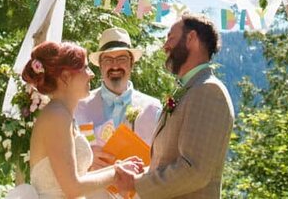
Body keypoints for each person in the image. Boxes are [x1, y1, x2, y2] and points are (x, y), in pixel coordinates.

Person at [113, 13, 233, 199]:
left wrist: (136, 183)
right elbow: (169, 162)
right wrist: (140, 174)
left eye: (171, 37)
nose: (165, 46)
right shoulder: (192, 88)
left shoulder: (208, 91)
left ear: (191, 38)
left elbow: (195, 170)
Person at [21, 40, 144, 199]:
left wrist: (119, 167)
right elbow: (73, 187)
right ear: (66, 77)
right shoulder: (56, 116)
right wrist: (116, 173)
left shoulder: (62, 113)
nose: (91, 74)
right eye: (85, 68)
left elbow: (78, 177)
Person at [75, 27, 162, 165]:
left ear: (131, 63)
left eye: (121, 59)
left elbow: (161, 158)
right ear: (100, 66)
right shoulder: (79, 106)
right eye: (108, 60)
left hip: (138, 185)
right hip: (92, 185)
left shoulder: (153, 108)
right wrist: (84, 158)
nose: (115, 66)